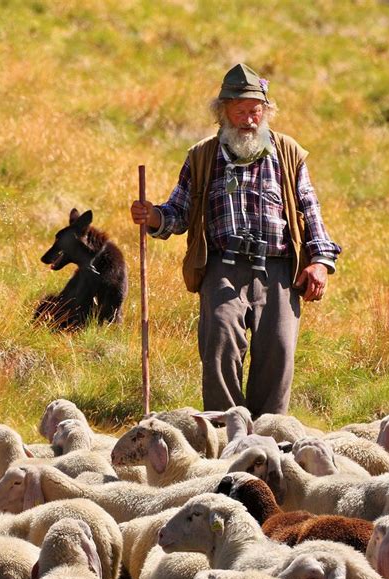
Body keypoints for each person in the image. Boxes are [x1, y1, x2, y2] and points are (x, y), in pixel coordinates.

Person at [131, 63, 341, 418]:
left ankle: (270, 441)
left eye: (255, 112)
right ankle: (225, 435)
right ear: (223, 114)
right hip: (222, 267)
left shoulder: (287, 153)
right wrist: (153, 216)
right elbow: (178, 213)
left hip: (278, 270)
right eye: (240, 112)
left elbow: (311, 208)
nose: (249, 120)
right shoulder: (202, 156)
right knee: (220, 345)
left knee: (278, 350)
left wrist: (320, 261)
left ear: (266, 112)